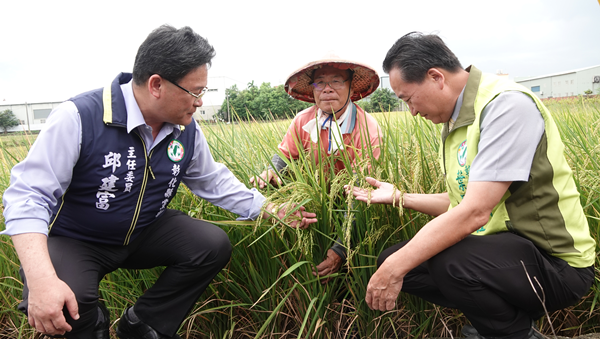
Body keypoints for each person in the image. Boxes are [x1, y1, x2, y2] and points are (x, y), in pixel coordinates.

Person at [1, 25, 317, 339]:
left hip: (142, 231)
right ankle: (90, 327)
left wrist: (269, 208)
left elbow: (212, 180)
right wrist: (42, 281)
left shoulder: (185, 129)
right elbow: (27, 196)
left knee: (211, 245)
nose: (200, 102)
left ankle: (143, 326)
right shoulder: (80, 117)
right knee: (72, 302)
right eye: (195, 92)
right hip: (76, 238)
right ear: (156, 85)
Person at [348, 32, 596, 339]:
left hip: (557, 264)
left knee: (445, 259)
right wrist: (401, 197)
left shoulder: (505, 106)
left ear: (436, 76)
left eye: (408, 98)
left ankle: (513, 333)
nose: (411, 111)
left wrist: (395, 267)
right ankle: (502, 324)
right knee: (399, 260)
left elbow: (475, 211)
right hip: (510, 254)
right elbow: (462, 202)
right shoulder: (457, 120)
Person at [249, 53, 382, 283]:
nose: (327, 89)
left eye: (337, 81)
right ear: (312, 90)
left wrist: (340, 250)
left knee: (352, 259)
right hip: (316, 204)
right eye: (319, 82)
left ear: (351, 88)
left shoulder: (368, 128)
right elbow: (284, 155)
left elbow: (364, 191)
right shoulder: (303, 121)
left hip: (352, 202)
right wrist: (270, 171)